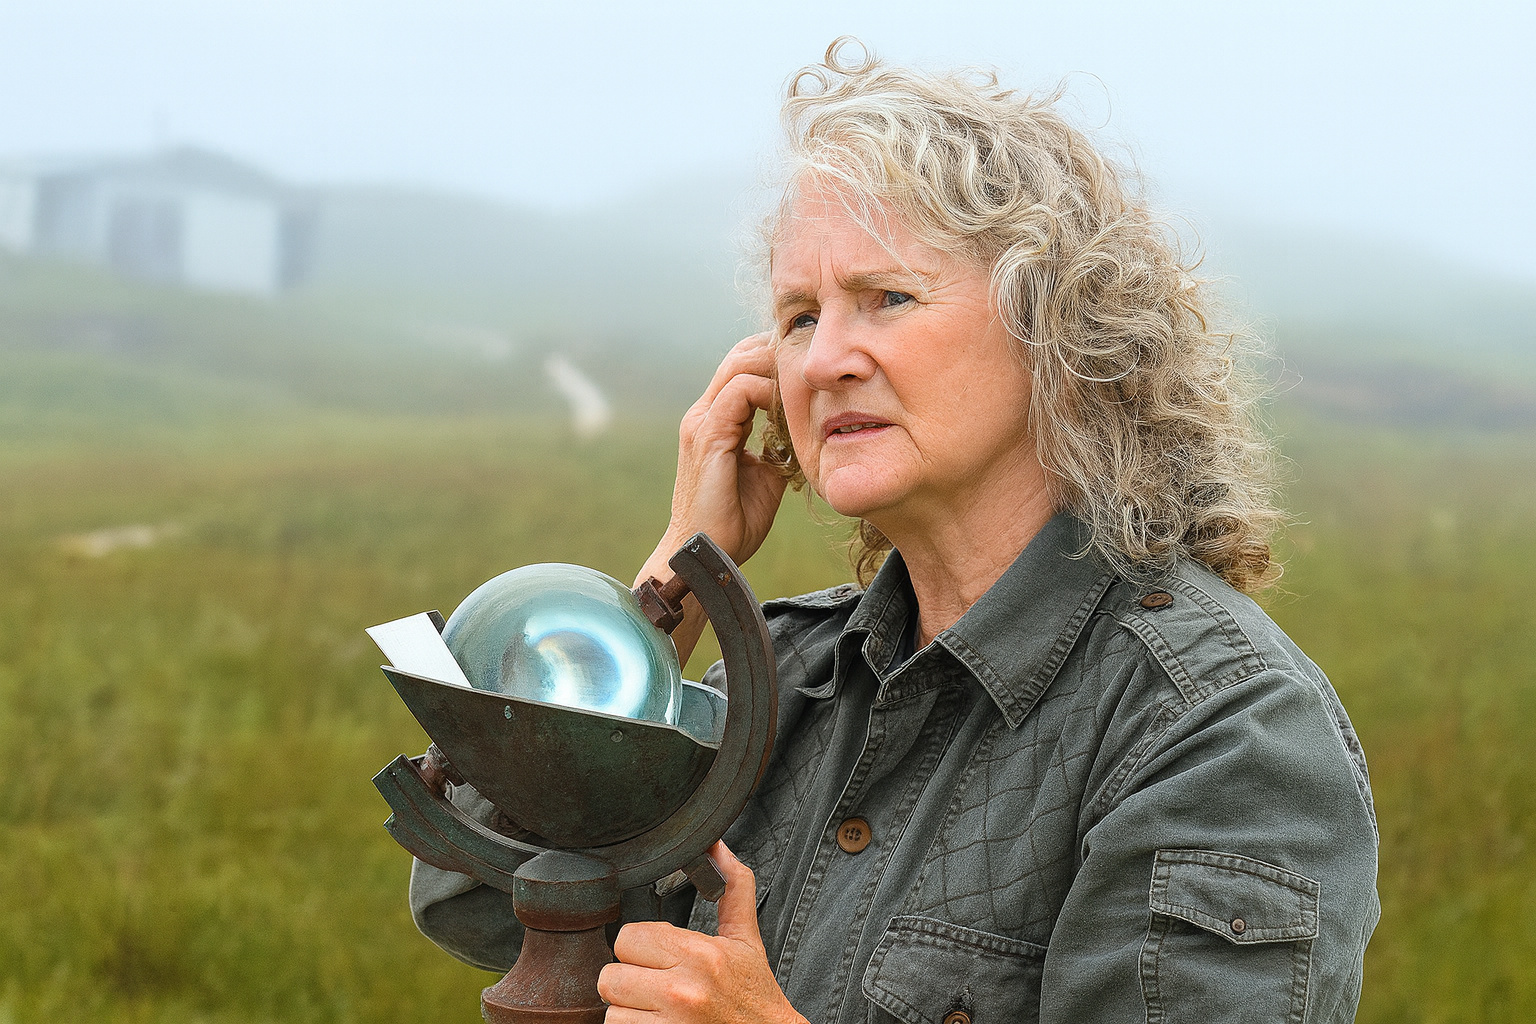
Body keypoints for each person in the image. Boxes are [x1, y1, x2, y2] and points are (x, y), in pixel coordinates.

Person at [411, 40, 1379, 1023]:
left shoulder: (1219, 733)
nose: (826, 359)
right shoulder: (784, 679)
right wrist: (674, 579)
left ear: (1056, 328)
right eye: (798, 316)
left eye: (888, 298)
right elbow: (485, 897)